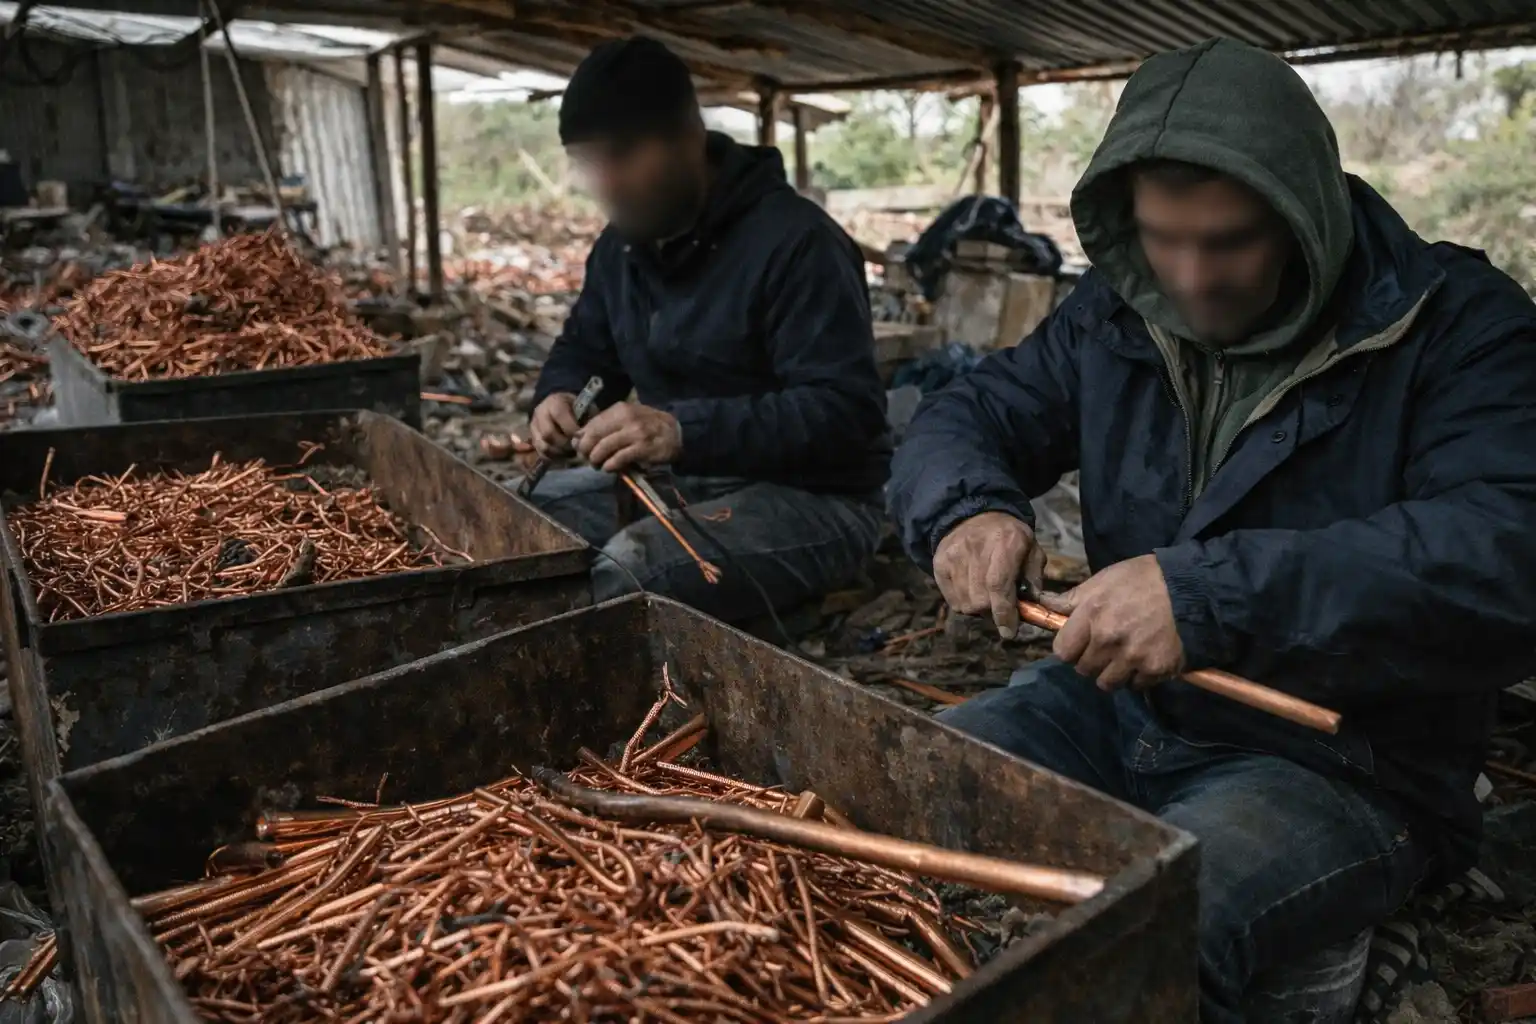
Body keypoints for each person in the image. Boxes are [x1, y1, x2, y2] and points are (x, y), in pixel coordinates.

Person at [888, 38, 1536, 1022]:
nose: (1191, 277)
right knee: (883, 797)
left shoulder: (1460, 327)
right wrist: (966, 505)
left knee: (1139, 941)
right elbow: (969, 415)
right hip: (1121, 707)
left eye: (1229, 241)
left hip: (1344, 760)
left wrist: (1212, 595)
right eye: (1163, 237)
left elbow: (1504, 553)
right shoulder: (1119, 311)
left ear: (1306, 210)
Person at [524, 36, 889, 622]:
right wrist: (558, 395)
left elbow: (846, 413)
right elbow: (585, 350)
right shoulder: (621, 248)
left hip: (818, 500)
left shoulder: (798, 243)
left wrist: (681, 430)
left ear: (687, 137)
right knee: (516, 524)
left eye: (621, 154)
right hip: (679, 480)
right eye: (589, 161)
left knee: (628, 571)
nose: (606, 181)